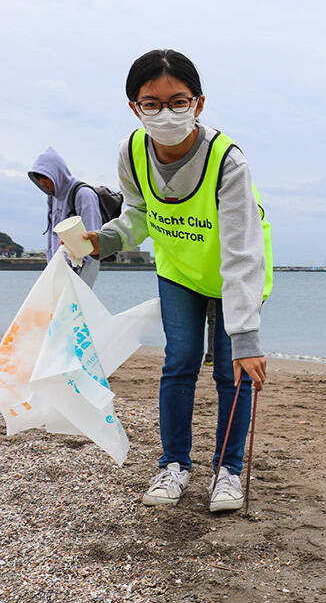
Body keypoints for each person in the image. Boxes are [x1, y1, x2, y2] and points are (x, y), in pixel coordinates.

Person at [81, 49, 273, 512]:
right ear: (135, 107)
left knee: (233, 369)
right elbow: (141, 214)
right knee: (180, 361)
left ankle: (227, 473)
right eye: (152, 103)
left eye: (178, 101)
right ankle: (174, 466)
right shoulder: (132, 151)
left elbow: (242, 251)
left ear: (198, 104)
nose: (166, 112)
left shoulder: (227, 161)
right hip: (179, 271)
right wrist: (105, 240)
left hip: (235, 276)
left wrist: (246, 335)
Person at [28, 148, 103, 287]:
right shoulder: (52, 197)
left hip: (81, 268)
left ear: (57, 173)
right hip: (58, 269)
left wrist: (72, 267)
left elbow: (93, 235)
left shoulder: (83, 194)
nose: (42, 183)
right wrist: (52, 266)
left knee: (76, 307)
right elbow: (52, 235)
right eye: (39, 179)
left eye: (45, 177)